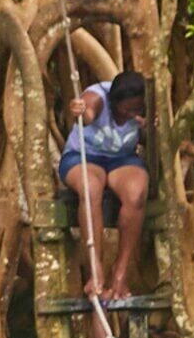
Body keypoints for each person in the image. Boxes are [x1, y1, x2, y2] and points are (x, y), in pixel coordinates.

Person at [59, 70, 150, 301]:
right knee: (90, 190)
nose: (129, 115)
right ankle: (95, 270)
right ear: (113, 102)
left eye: (135, 110)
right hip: (84, 157)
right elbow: (88, 111)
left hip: (122, 160)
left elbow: (151, 134)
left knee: (137, 193)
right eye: (125, 110)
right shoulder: (99, 96)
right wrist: (82, 112)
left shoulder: (145, 105)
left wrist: (149, 124)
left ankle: (120, 274)